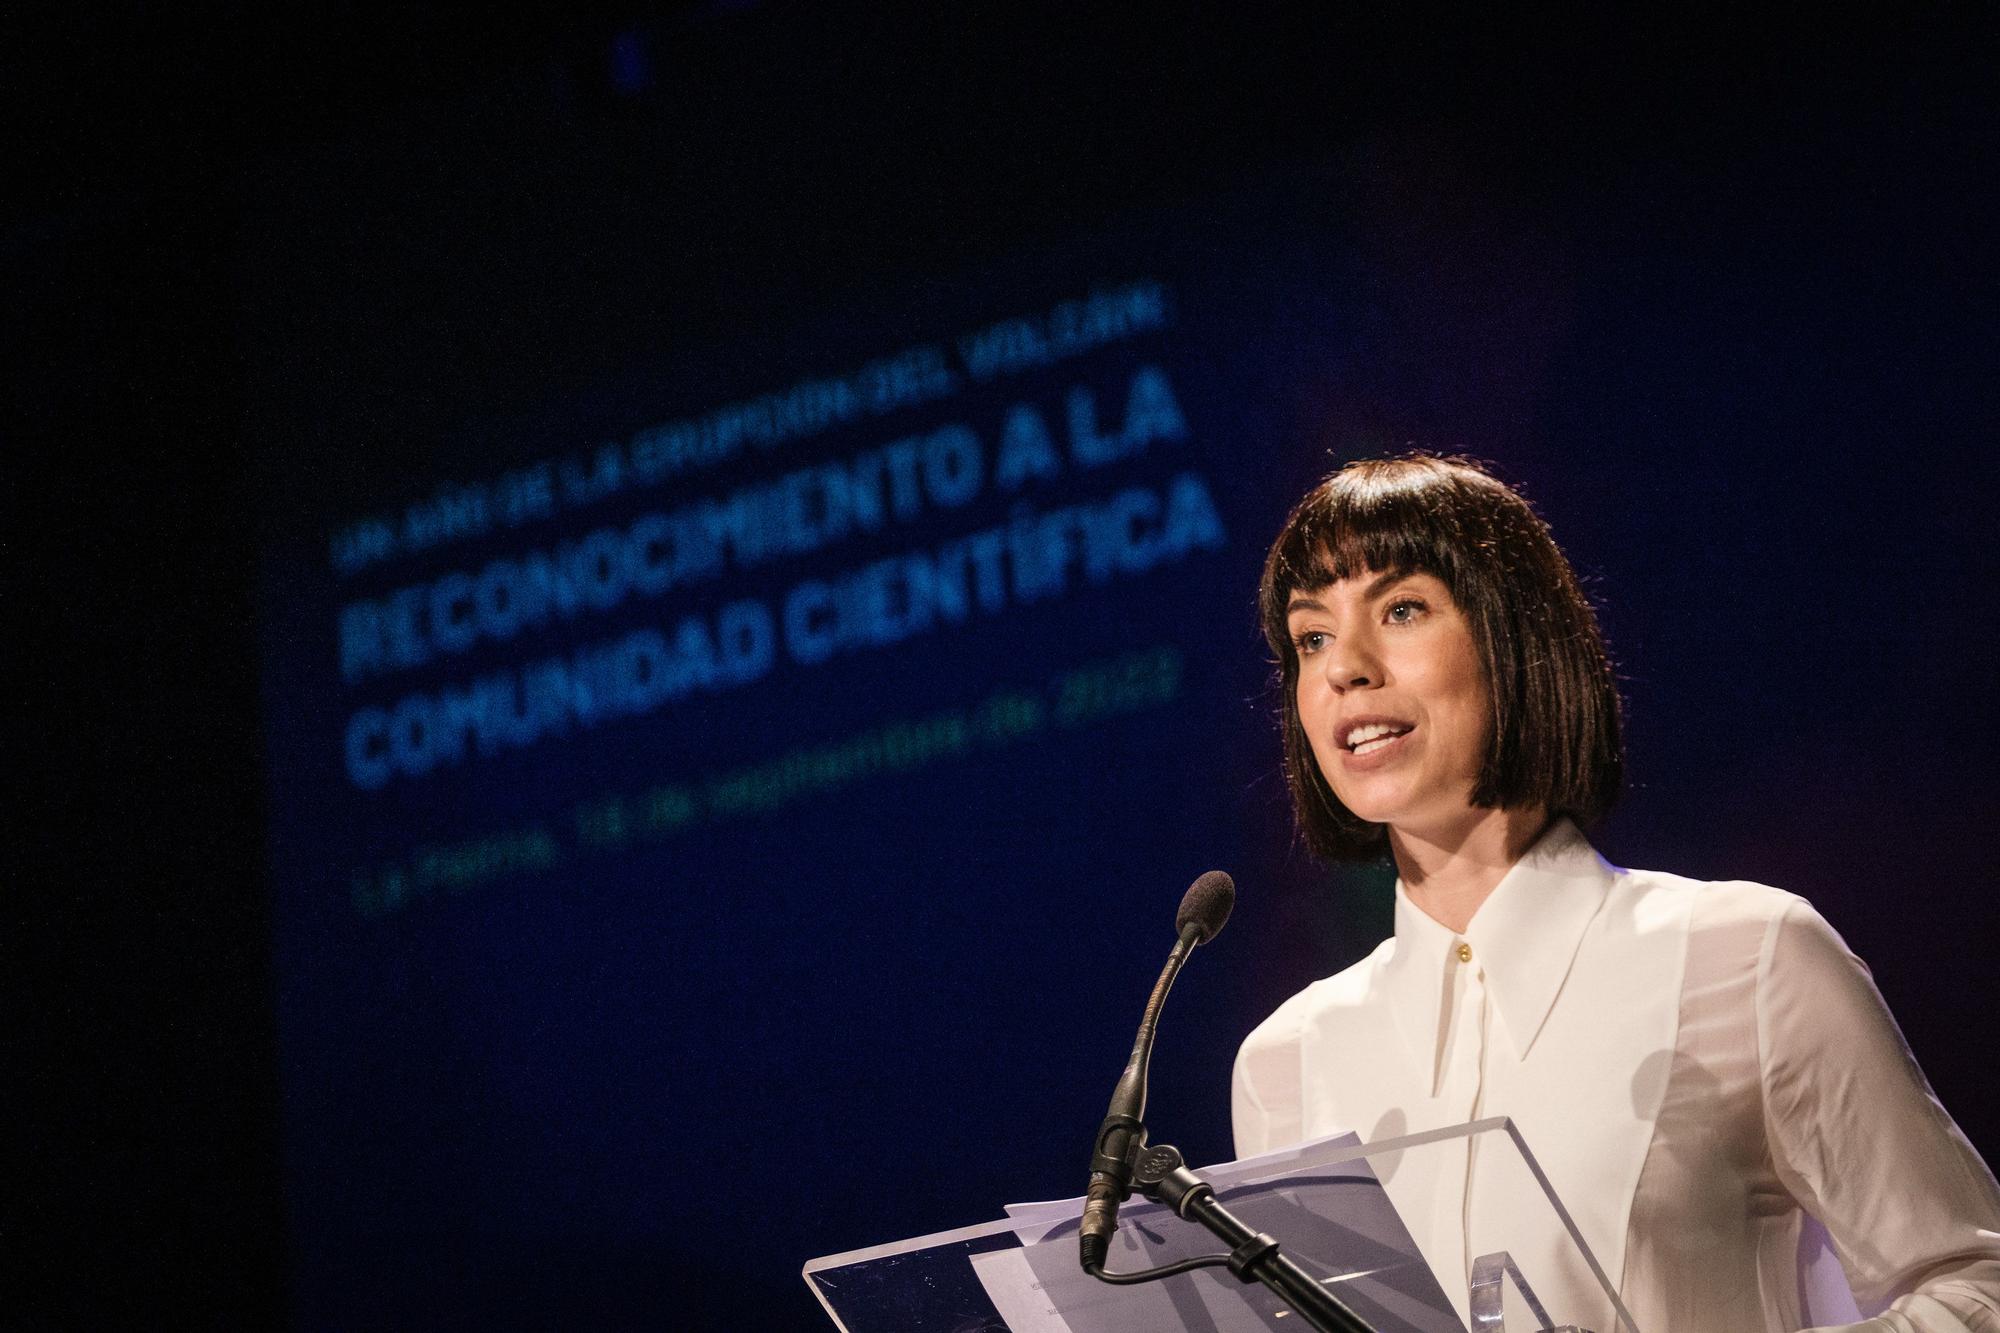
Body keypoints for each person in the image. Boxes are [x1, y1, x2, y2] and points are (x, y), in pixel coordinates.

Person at [1231, 455, 2000, 1332]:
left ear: (1516, 639)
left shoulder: (1747, 956)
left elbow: (1977, 1283)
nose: (1345, 669)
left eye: (1402, 610)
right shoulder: (1282, 1064)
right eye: (1311, 638)